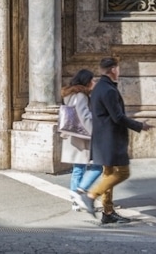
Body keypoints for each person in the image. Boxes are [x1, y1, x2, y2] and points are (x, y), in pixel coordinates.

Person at [76, 57, 154, 224]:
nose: (118, 71)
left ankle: (108, 212)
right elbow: (117, 117)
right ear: (113, 69)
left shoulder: (98, 89)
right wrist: (140, 125)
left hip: (101, 138)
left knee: (108, 174)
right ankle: (91, 196)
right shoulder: (109, 90)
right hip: (110, 139)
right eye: (117, 68)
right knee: (123, 172)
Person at [60, 69, 101, 211]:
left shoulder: (69, 94)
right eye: (93, 80)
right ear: (87, 81)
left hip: (72, 136)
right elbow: (84, 116)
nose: (94, 82)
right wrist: (94, 133)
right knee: (90, 167)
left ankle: (75, 200)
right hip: (81, 137)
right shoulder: (81, 95)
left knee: (78, 168)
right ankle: (78, 195)